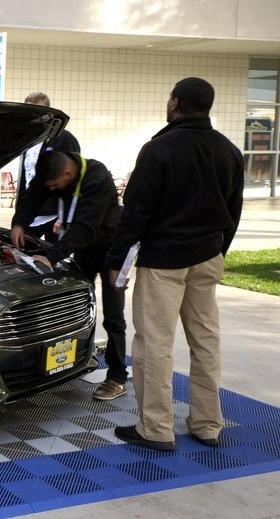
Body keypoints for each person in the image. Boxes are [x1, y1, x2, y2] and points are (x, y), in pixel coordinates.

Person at [107, 77, 244, 452]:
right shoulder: (229, 151)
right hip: (208, 258)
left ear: (174, 103)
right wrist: (218, 251)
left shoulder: (157, 150)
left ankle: (155, 428)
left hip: (164, 262)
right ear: (209, 106)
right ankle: (207, 424)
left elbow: (135, 214)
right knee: (206, 342)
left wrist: (118, 262)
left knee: (154, 343)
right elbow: (233, 212)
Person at [11, 150, 128, 401]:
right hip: (82, 249)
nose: (52, 190)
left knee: (113, 315)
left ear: (67, 173)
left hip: (111, 251)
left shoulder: (98, 178)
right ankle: (76, 359)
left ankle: (117, 376)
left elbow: (86, 228)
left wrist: (51, 257)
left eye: (55, 186)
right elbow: (34, 195)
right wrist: (18, 222)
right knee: (74, 307)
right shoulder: (52, 174)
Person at [15, 92, 80, 242]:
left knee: (53, 260)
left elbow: (73, 180)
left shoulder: (64, 138)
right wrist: (20, 214)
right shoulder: (28, 140)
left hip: (55, 215)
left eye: (39, 112)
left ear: (50, 113)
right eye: (30, 112)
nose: (34, 116)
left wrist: (64, 217)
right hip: (32, 212)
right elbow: (26, 177)